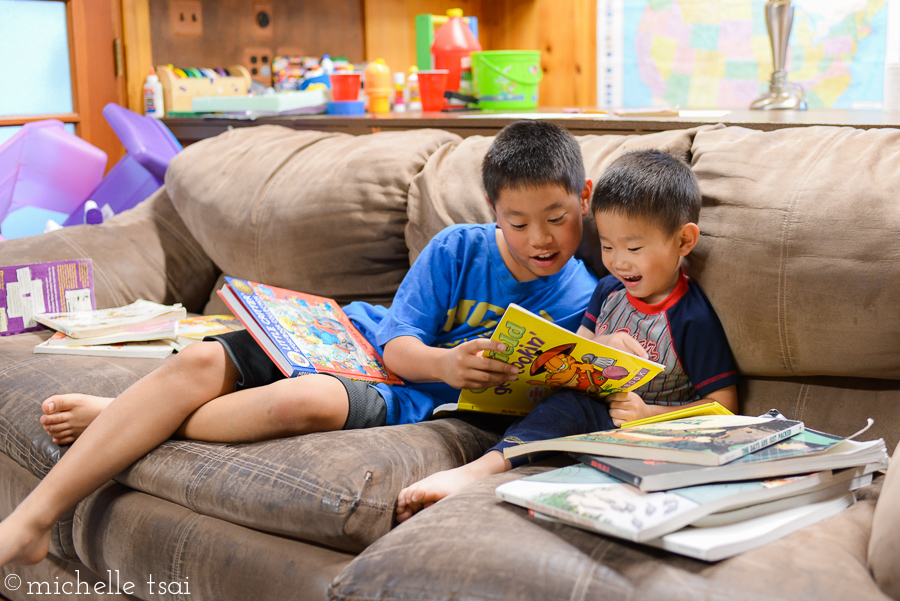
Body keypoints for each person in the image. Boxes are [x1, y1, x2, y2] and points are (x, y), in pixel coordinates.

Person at [0, 120, 600, 567]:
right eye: (517, 223)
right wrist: (449, 361)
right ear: (493, 209)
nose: (539, 239)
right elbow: (397, 346)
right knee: (205, 357)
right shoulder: (457, 248)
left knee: (301, 401)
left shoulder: (586, 299)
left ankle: (131, 416)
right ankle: (31, 519)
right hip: (355, 338)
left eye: (556, 217)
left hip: (401, 397)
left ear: (586, 197)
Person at [396, 149, 739, 523]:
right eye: (608, 246)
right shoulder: (608, 291)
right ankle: (488, 464)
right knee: (563, 403)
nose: (618, 261)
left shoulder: (691, 318)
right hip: (589, 414)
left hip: (650, 430)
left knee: (569, 409)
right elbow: (577, 351)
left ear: (684, 242)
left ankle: (481, 470)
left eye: (634, 248)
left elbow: (725, 405)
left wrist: (648, 415)